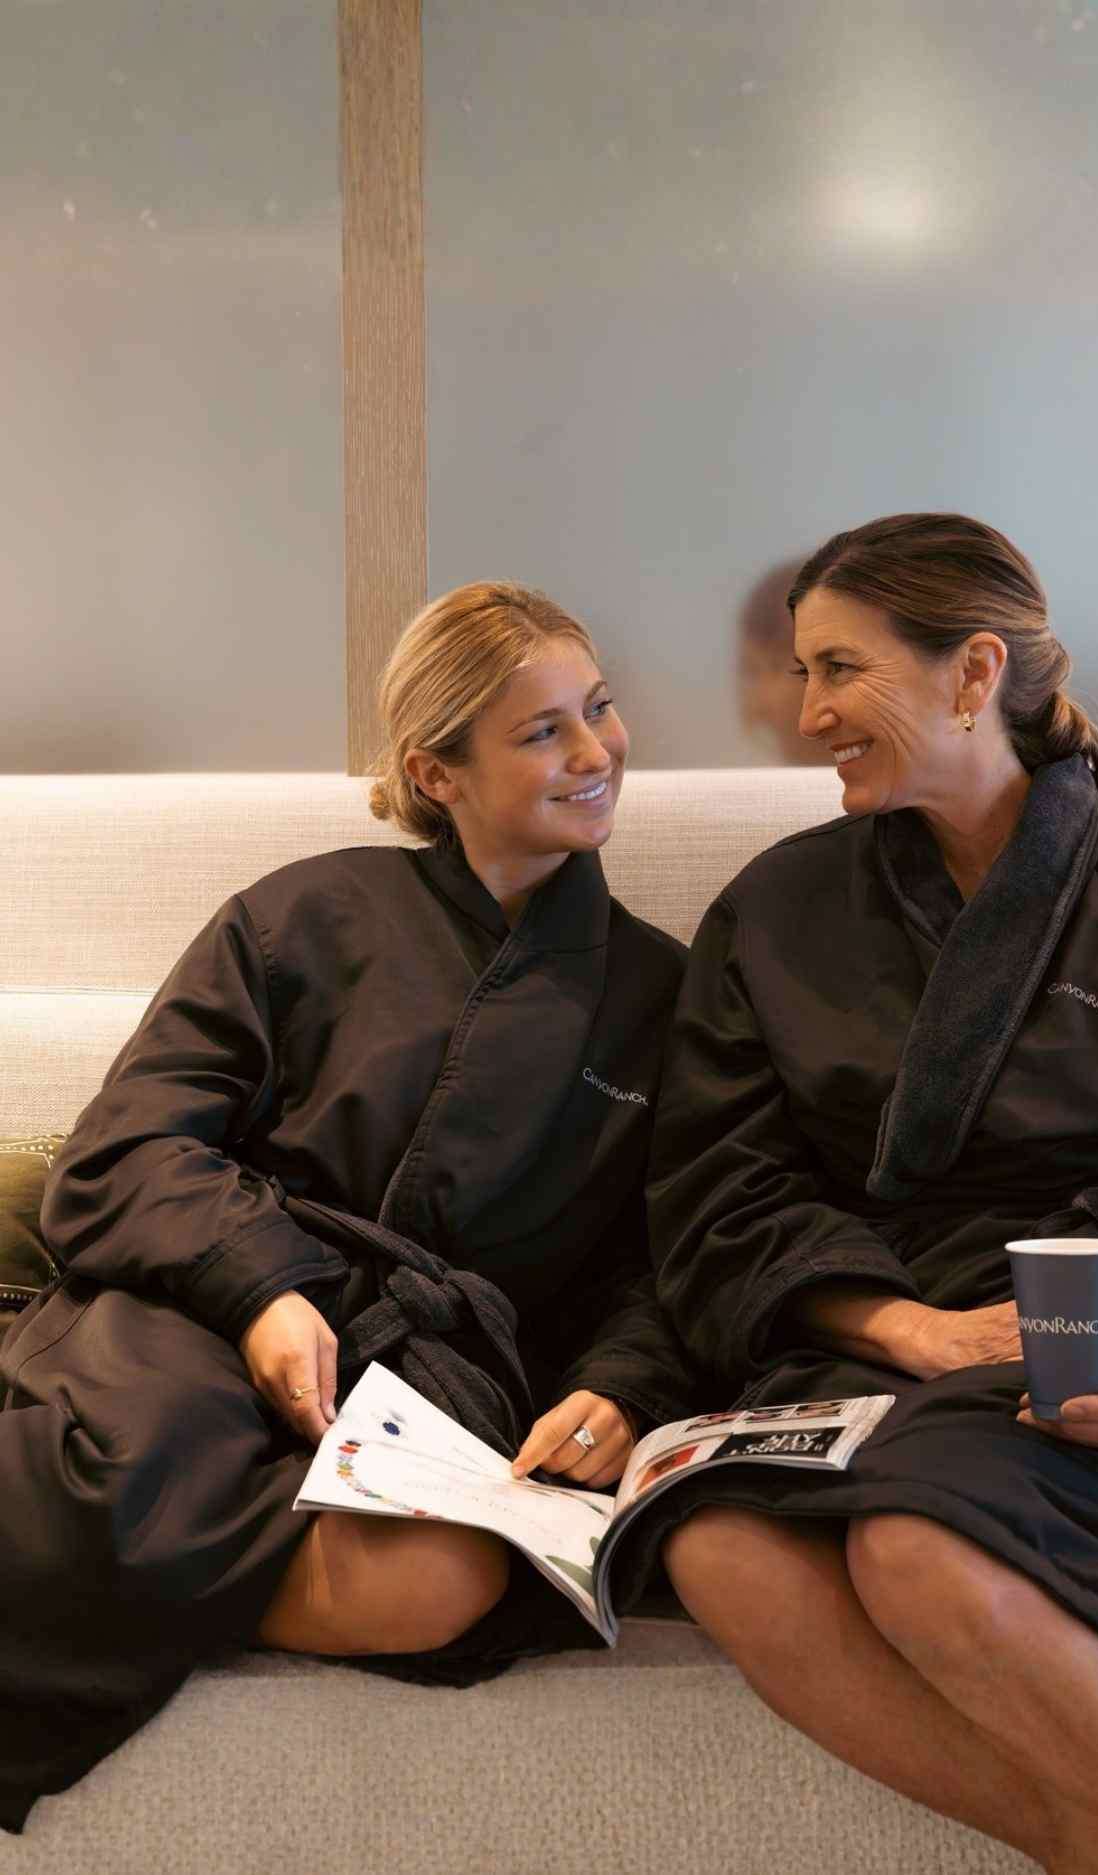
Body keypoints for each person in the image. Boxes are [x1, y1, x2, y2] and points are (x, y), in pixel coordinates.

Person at [622, 515, 1098, 1875]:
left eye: (840, 669)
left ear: (972, 671)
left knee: (914, 1543)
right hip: (877, 1344)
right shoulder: (775, 910)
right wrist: (912, 1329)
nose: (807, 712)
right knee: (715, 1542)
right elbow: (717, 1198)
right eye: (802, 671)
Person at [0, 581, 692, 1834]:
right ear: (437, 772)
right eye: (543, 732)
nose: (597, 753)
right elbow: (129, 1143)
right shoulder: (302, 915)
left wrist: (623, 1383)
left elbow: (663, 1253)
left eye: (598, 710)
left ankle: (130, 1570)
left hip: (436, 1368)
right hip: (208, 1310)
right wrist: (261, 1289)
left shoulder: (664, 992)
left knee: (442, 1576)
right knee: (135, 1463)